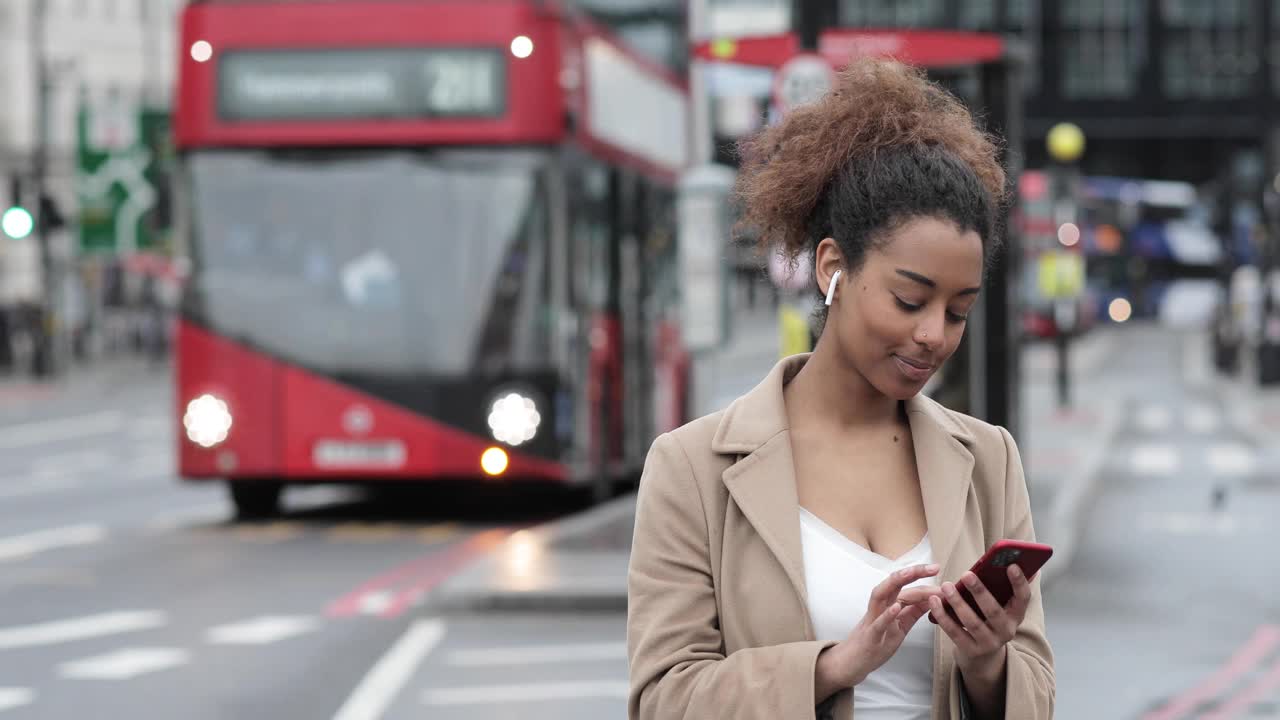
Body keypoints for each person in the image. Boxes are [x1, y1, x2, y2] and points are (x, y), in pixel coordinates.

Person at [626, 58, 1054, 720]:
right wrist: (834, 665)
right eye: (910, 299)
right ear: (833, 268)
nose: (934, 334)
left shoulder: (988, 457)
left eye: (959, 310)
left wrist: (987, 661)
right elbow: (663, 699)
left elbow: (1036, 697)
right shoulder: (693, 468)